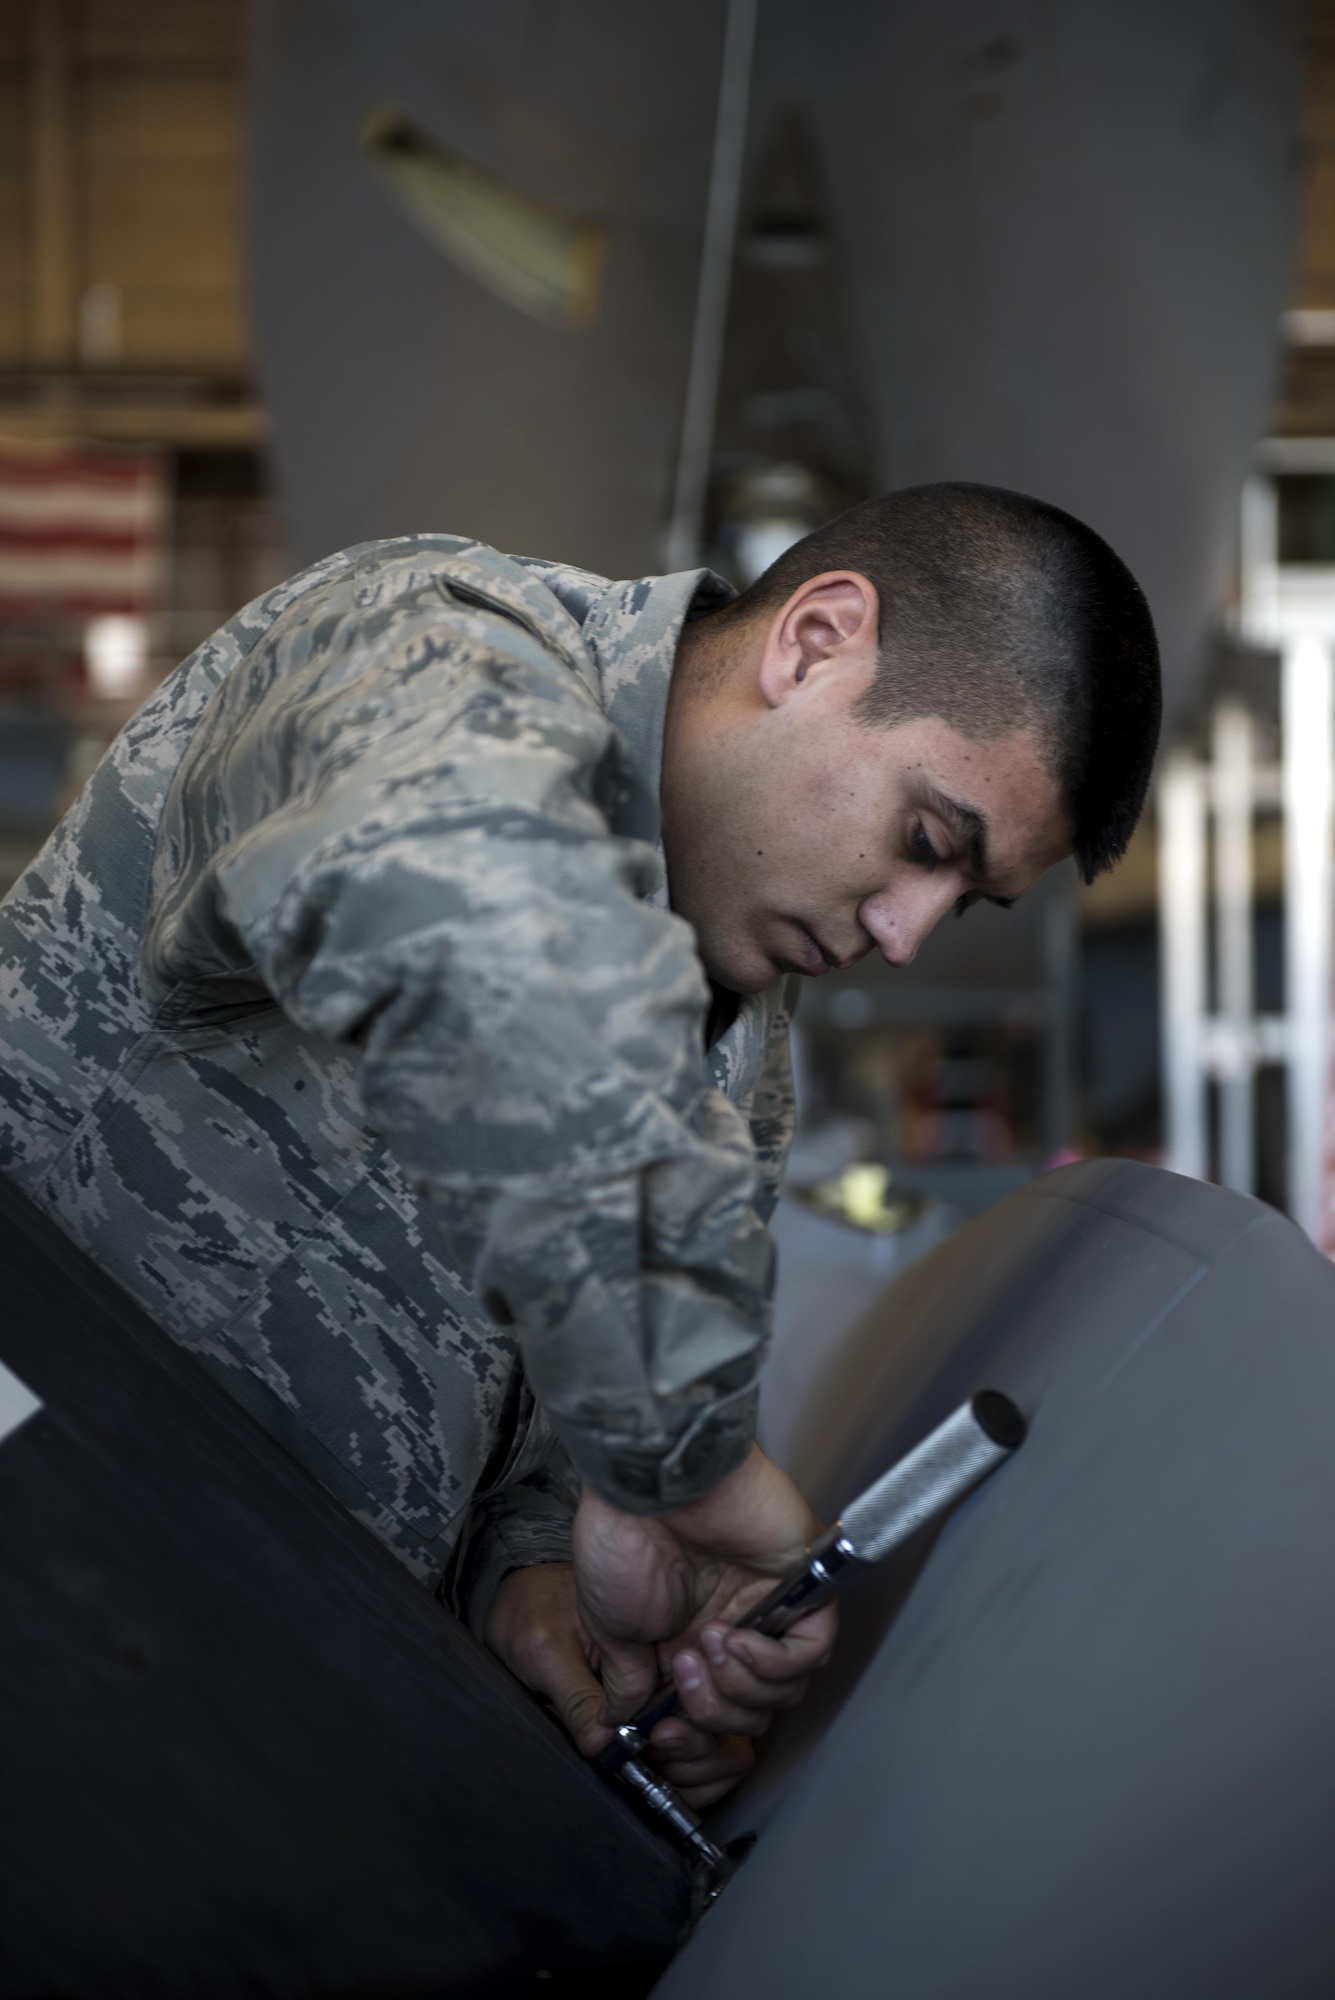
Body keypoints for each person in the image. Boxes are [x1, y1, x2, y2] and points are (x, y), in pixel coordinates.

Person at [0, 483, 1159, 1807]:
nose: (904, 931)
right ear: (816, 642)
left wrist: (556, 1594)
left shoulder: (742, 1040)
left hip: (230, 1727)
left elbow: (533, 1439)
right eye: (923, 840)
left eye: (961, 901)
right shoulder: (424, 638)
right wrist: (691, 1452)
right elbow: (467, 918)